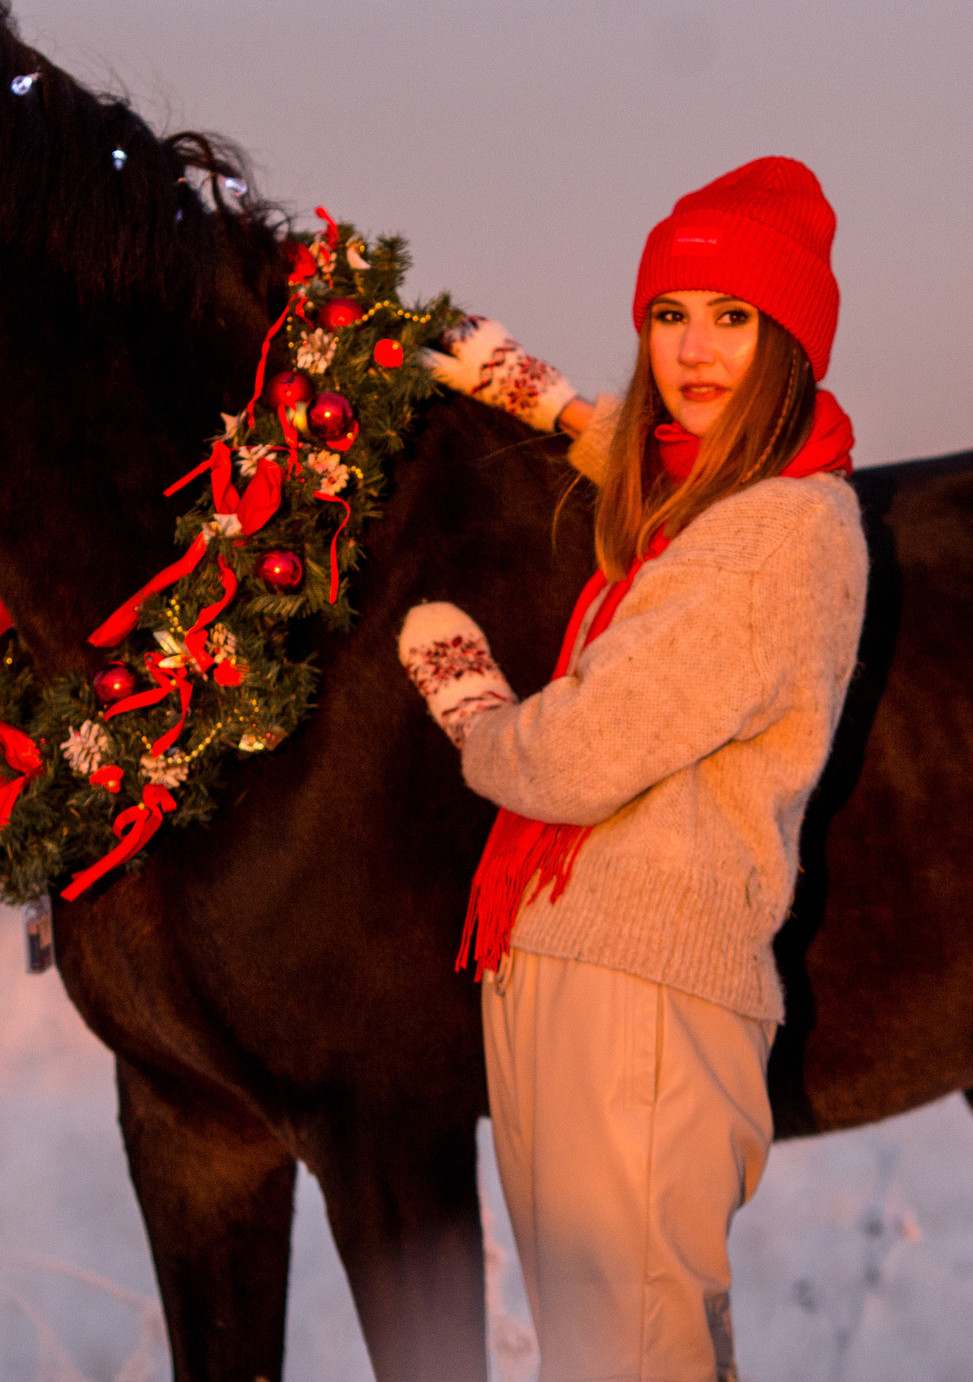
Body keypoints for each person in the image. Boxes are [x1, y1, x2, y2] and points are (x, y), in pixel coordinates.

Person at [398, 156, 870, 1382]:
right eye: (670, 316)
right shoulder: (722, 502)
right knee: (593, 1353)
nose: (695, 351)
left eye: (733, 319)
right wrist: (550, 401)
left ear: (791, 342)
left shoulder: (784, 534)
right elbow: (663, 476)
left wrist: (476, 711)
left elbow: (582, 755)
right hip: (565, 961)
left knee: (636, 1354)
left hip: (644, 992)